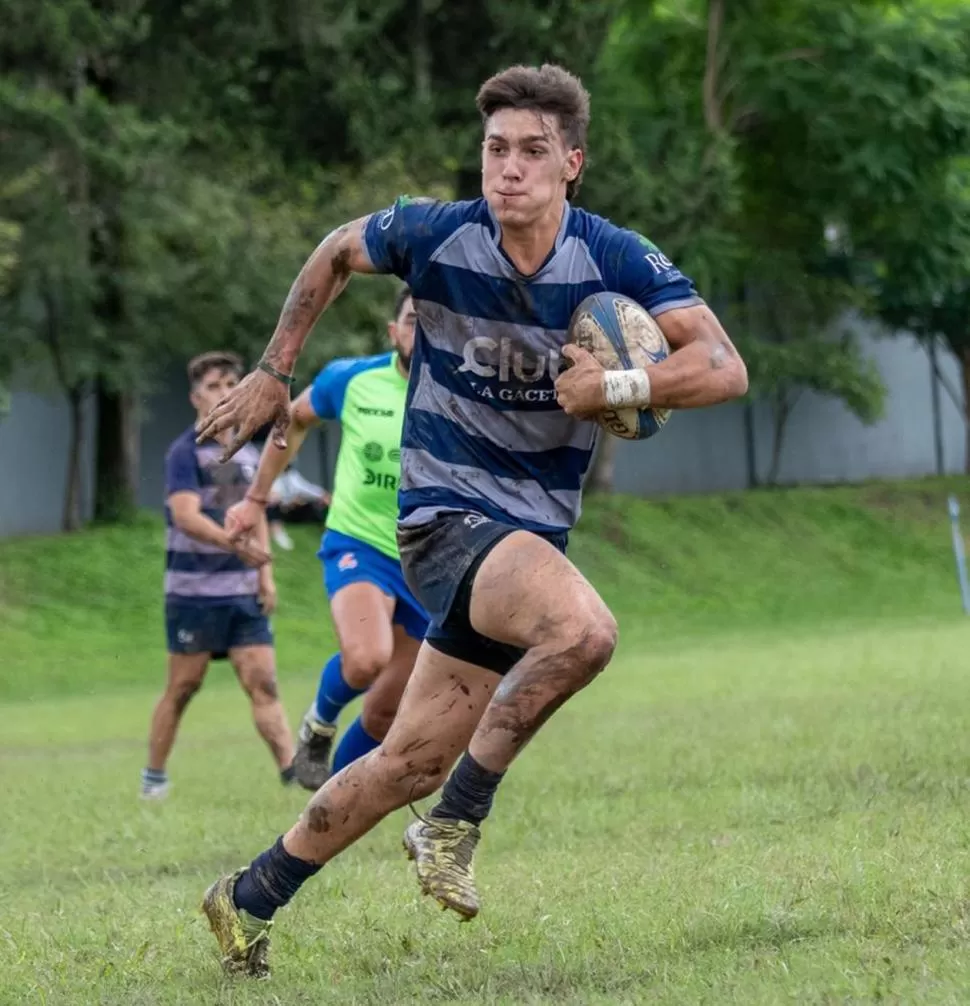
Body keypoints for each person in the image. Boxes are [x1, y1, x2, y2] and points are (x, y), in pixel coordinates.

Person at [196, 63, 748, 977]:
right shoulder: (437, 235)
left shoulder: (613, 258)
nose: (510, 169)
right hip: (445, 518)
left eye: (533, 151)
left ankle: (247, 898)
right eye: (496, 149)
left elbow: (722, 366)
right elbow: (337, 248)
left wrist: (618, 384)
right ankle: (457, 820)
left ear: (573, 162)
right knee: (585, 631)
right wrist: (275, 367)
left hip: (529, 538)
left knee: (403, 763)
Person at [235, 286, 429, 793]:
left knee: (386, 710)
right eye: (412, 319)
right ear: (393, 331)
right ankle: (319, 723)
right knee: (366, 658)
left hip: (432, 558)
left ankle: (329, 807)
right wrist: (257, 498)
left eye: (434, 320)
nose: (422, 330)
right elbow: (293, 419)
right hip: (360, 544)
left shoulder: (463, 392)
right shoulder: (353, 379)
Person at [141, 351, 297, 800]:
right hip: (193, 593)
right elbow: (185, 516)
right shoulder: (183, 453)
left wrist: (265, 575)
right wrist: (235, 544)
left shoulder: (249, 453)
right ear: (195, 398)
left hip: (242, 592)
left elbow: (258, 512)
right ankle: (153, 777)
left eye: (231, 383)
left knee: (263, 682)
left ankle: (293, 775)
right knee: (184, 687)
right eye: (214, 386)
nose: (225, 393)